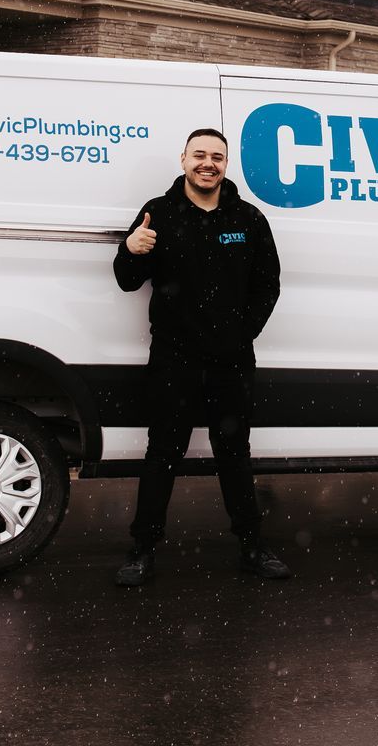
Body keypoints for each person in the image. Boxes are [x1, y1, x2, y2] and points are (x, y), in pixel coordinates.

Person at [112, 126, 290, 585]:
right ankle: (142, 550)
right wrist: (129, 250)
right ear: (184, 160)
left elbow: (267, 285)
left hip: (231, 362)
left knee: (234, 453)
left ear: (226, 164)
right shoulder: (159, 214)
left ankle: (252, 546)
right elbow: (128, 280)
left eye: (217, 156)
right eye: (199, 155)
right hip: (174, 358)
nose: (207, 163)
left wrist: (240, 333)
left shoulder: (247, 219)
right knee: (162, 453)